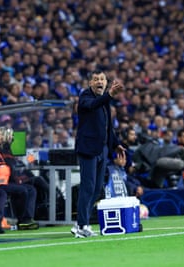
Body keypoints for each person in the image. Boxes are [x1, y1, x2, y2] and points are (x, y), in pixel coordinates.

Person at [72, 69, 125, 238]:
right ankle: (82, 225)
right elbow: (92, 105)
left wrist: (115, 144)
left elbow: (107, 125)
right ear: (90, 83)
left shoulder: (104, 101)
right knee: (88, 187)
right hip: (88, 148)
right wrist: (109, 95)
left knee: (96, 189)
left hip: (102, 149)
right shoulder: (85, 97)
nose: (100, 82)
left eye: (102, 79)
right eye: (96, 79)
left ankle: (81, 222)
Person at [0, 127, 39, 230]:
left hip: (4, 182)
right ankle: (22, 220)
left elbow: (8, 161)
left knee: (31, 189)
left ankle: (27, 219)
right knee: (22, 190)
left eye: (1, 135)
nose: (1, 137)